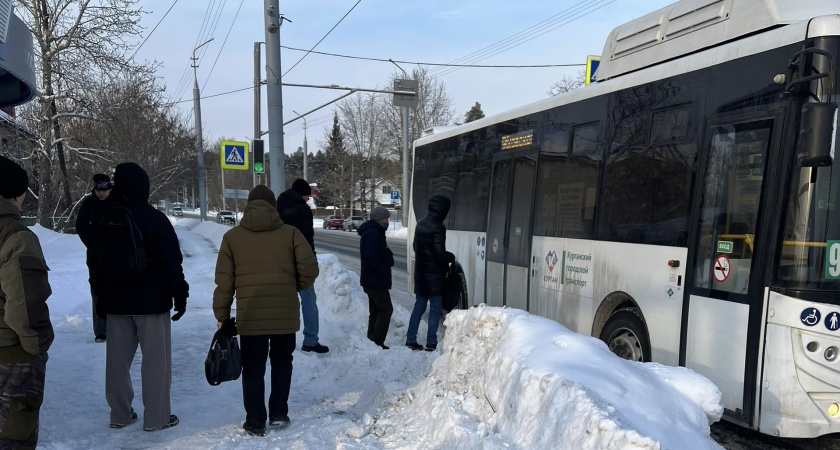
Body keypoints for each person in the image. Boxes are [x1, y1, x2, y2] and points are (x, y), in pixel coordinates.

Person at [214, 185, 319, 436]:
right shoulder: (291, 234)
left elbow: (224, 281)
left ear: (249, 204)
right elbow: (310, 269)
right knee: (283, 362)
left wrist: (222, 315)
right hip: (284, 315)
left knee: (253, 367)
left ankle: (255, 421)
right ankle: (279, 413)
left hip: (251, 316)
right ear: (273, 206)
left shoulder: (232, 237)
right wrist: (294, 286)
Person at [91, 162, 188, 432]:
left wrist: (100, 298)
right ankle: (157, 418)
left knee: (116, 364)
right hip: (152, 303)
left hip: (116, 303)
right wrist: (180, 295)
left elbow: (95, 263)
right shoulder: (155, 219)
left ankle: (120, 414)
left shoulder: (106, 218)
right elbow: (172, 262)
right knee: (156, 362)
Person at [0, 156, 54, 448]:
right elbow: (26, 309)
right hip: (10, 358)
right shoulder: (16, 237)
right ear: (17, 195)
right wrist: (39, 347)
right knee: (13, 436)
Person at [276, 178, 328, 353]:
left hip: (280, 259)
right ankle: (311, 340)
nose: (308, 199)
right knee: (308, 300)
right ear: (302, 194)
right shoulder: (303, 210)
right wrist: (311, 261)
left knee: (282, 301)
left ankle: (281, 339)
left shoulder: (279, 204)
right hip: (298, 260)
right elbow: (307, 239)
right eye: (307, 196)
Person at [406, 195, 455, 352]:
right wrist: (450, 257)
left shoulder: (421, 223)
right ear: (443, 210)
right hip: (435, 275)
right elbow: (439, 253)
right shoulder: (438, 227)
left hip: (421, 272)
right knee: (435, 308)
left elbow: (415, 246)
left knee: (419, 306)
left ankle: (410, 339)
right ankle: (431, 342)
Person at [75, 173, 112, 343]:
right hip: (95, 256)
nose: (102, 193)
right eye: (99, 190)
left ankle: (118, 328)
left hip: (116, 255)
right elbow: (81, 226)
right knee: (97, 290)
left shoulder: (117, 201)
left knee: (116, 290)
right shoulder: (89, 203)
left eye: (104, 190)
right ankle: (101, 331)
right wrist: (92, 244)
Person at [358, 207, 394, 350]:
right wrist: (385, 263)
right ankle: (377, 342)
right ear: (380, 219)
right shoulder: (374, 233)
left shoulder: (373, 231)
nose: (388, 221)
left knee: (376, 310)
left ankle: (372, 340)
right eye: (386, 219)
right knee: (386, 309)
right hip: (376, 279)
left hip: (371, 279)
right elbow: (373, 256)